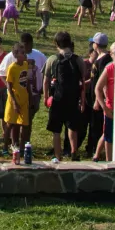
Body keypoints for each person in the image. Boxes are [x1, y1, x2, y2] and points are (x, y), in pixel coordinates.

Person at [43, 31, 84, 162]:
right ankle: (73, 152)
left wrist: (46, 97)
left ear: (56, 44)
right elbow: (83, 81)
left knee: (56, 130)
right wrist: (82, 100)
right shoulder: (78, 60)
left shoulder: (52, 59)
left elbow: (45, 80)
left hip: (57, 98)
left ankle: (57, 155)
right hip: (73, 97)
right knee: (72, 127)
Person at [3, 39, 32, 160]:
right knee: (10, 124)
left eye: (25, 52)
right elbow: (9, 85)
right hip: (13, 99)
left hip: (24, 98)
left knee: (25, 124)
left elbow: (27, 81)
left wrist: (30, 96)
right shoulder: (12, 68)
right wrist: (14, 102)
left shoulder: (26, 65)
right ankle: (5, 147)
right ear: (15, 55)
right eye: (21, 52)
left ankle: (21, 148)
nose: (25, 54)